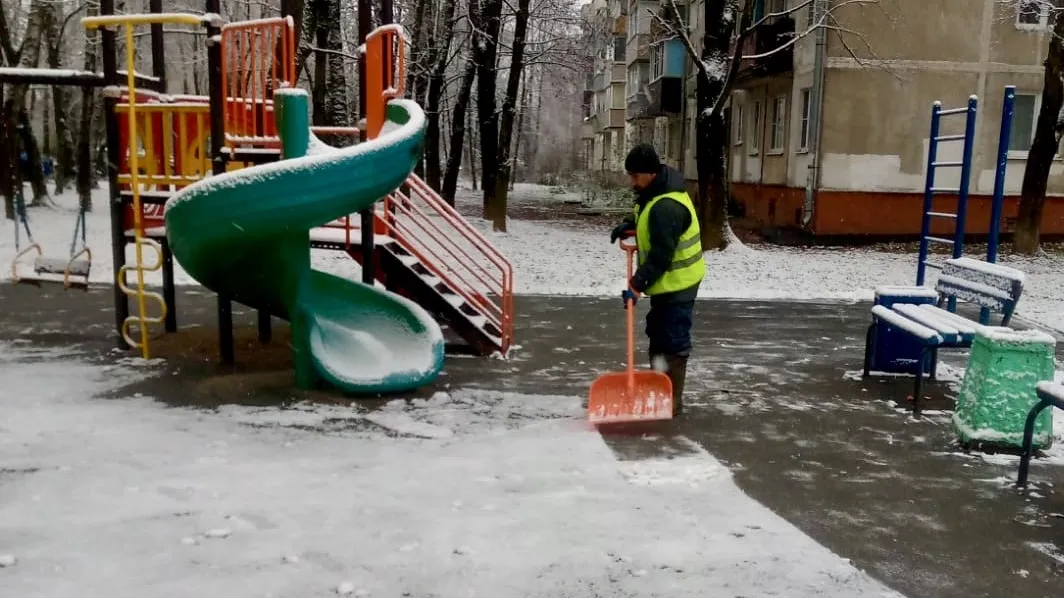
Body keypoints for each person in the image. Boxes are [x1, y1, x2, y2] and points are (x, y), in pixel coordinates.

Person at [609, 143, 704, 416]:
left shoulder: (667, 206)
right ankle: (659, 388)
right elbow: (645, 215)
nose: (632, 182)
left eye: (635, 176)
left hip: (679, 282)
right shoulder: (656, 191)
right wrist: (630, 224)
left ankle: (670, 402)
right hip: (668, 281)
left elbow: (661, 257)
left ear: (650, 173)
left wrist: (636, 286)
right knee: (659, 332)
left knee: (672, 338)